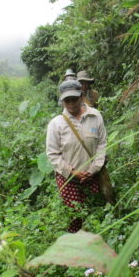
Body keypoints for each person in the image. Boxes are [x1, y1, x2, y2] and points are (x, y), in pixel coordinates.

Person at [46, 80, 107, 232]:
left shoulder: (95, 116)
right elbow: (53, 154)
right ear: (62, 101)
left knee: (94, 214)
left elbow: (102, 144)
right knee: (74, 217)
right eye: (67, 100)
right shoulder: (56, 124)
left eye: (74, 99)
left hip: (92, 176)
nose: (71, 103)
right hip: (68, 179)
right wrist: (72, 172)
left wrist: (93, 169)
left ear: (81, 96)